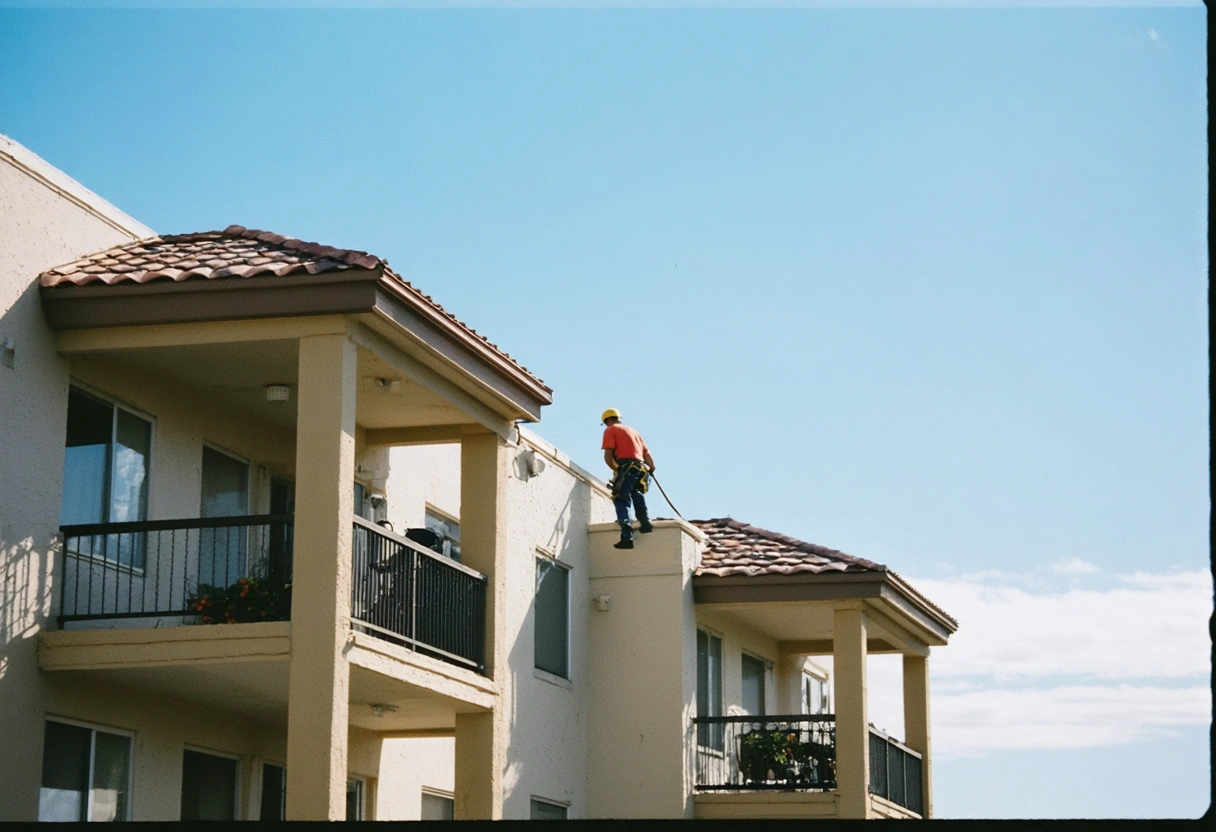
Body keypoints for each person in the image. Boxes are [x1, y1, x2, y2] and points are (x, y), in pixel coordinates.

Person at [600, 408, 656, 549]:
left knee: (621, 497)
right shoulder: (634, 432)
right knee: (636, 493)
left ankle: (627, 534)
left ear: (608, 420)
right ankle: (645, 523)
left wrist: (616, 469)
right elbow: (647, 454)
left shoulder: (611, 430)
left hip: (626, 466)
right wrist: (651, 469)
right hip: (641, 467)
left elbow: (608, 455)